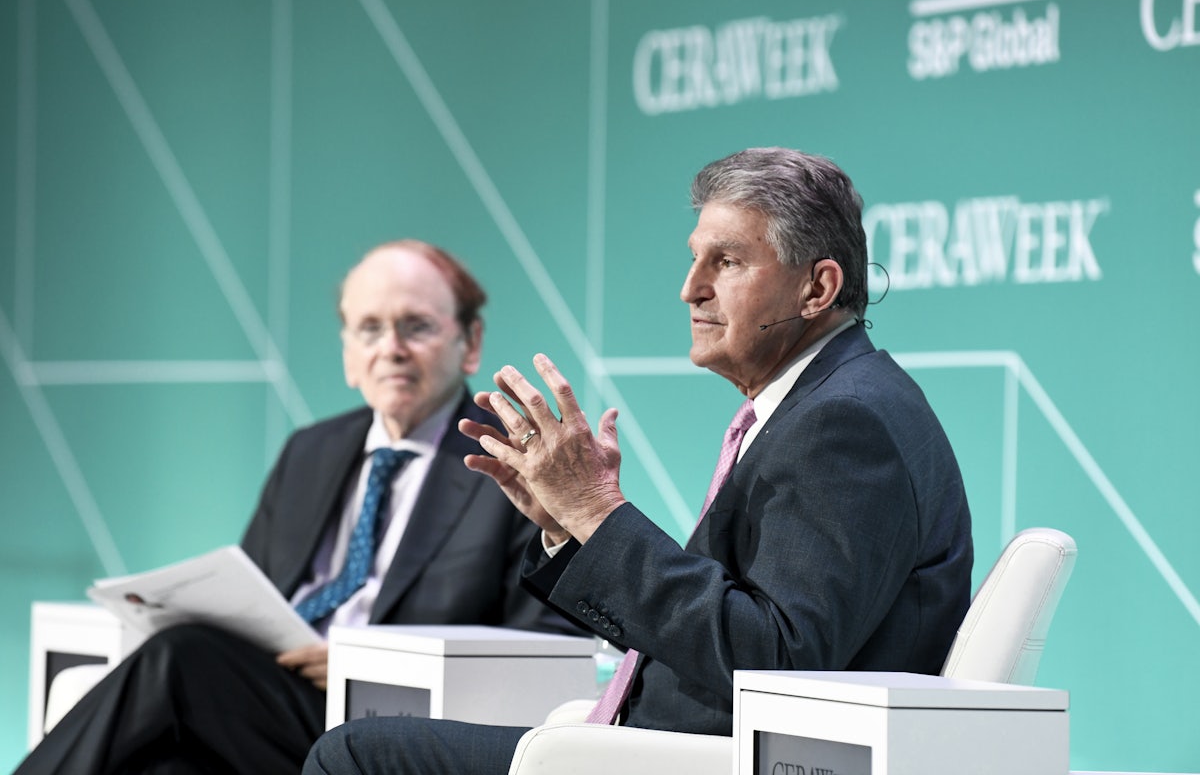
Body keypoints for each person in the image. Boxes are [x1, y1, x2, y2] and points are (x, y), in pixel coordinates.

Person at [302, 148, 974, 774]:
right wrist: (571, 524)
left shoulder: (843, 422)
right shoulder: (825, 402)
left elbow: (777, 659)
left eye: (728, 263)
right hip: (650, 738)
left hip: (688, 759)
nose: (691, 289)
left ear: (817, 288)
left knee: (355, 756)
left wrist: (599, 512)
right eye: (694, 260)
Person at [17, 240, 580, 775]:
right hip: (275, 700)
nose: (392, 348)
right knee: (166, 764)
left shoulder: (510, 469)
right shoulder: (310, 451)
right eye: (369, 329)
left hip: (388, 720)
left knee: (180, 659)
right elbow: (247, 593)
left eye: (417, 327)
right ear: (348, 354)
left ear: (470, 342)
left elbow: (549, 651)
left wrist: (369, 667)